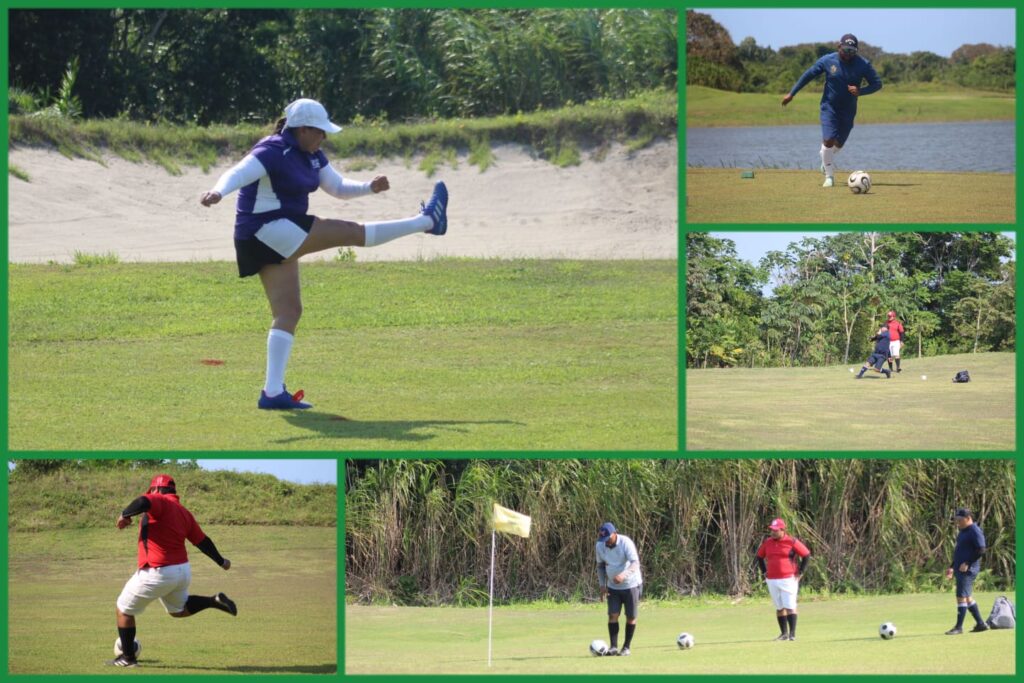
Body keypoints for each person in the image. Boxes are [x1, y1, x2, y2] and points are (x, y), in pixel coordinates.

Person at [200, 98, 449, 410]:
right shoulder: (273, 150)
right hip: (265, 229)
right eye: (320, 131)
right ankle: (427, 222)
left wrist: (369, 187)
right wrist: (217, 192)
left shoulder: (313, 154)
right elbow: (237, 173)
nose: (324, 137)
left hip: (270, 234)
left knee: (289, 312)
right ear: (302, 129)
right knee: (350, 232)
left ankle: (273, 393)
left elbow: (339, 187)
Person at [109, 475, 237, 667]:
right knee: (179, 610)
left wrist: (124, 514)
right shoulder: (184, 513)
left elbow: (143, 501)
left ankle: (128, 658)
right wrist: (221, 561)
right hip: (181, 571)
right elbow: (203, 541)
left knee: (123, 609)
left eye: (151, 490)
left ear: (157, 490)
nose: (150, 494)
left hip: (158, 571)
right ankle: (213, 601)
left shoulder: (160, 501)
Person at [781, 33, 882, 188]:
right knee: (828, 139)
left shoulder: (863, 64)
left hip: (848, 110)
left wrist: (860, 91)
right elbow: (808, 75)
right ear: (839, 47)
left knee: (838, 144)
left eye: (852, 51)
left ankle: (825, 159)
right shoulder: (828, 60)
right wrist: (792, 93)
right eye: (845, 50)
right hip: (829, 107)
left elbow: (877, 84)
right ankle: (829, 177)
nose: (848, 54)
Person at [756, 518, 810, 641]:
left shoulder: (791, 541)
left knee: (790, 605)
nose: (773, 532)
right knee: (779, 607)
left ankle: (792, 634)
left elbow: (806, 554)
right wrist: (764, 572)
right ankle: (783, 634)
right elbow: (759, 557)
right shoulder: (768, 542)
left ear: (782, 530)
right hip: (772, 579)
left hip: (788, 578)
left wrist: (801, 572)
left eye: (775, 530)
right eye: (771, 530)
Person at [595, 522, 643, 656]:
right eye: (603, 540)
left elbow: (635, 563)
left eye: (608, 539)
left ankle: (626, 647)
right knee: (613, 615)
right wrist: (602, 585)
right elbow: (600, 566)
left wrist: (623, 575)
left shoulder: (625, 542)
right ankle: (613, 647)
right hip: (612, 586)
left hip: (631, 585)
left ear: (614, 534)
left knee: (631, 616)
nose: (607, 542)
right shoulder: (600, 545)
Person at [945, 508, 989, 635]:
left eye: (960, 519)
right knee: (968, 598)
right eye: (956, 519)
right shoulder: (963, 531)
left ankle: (959, 627)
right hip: (960, 568)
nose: (957, 522)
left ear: (968, 518)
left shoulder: (974, 530)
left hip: (968, 570)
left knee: (961, 597)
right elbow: (959, 551)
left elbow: (981, 549)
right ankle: (981, 624)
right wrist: (952, 567)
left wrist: (968, 563)